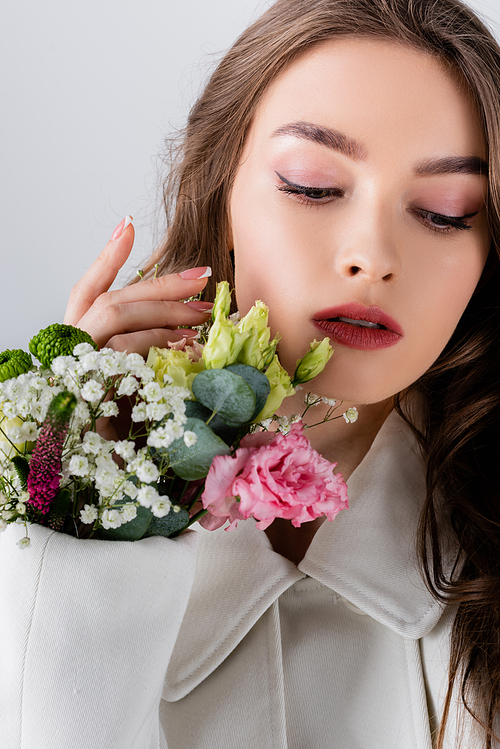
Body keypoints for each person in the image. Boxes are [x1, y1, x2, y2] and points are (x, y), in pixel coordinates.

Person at [1, 0, 500, 746]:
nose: (371, 255)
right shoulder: (39, 491)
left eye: (442, 210)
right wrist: (63, 495)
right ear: (221, 189)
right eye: (311, 186)